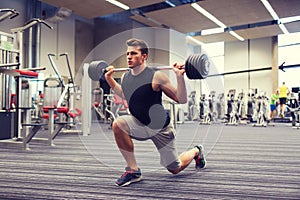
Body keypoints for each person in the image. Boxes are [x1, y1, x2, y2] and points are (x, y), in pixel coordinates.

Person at [105, 38, 206, 187]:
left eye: (133, 53)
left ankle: (197, 151)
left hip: (160, 128)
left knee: (174, 168)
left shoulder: (156, 76)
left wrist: (179, 77)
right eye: (127, 54)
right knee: (118, 124)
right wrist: (109, 79)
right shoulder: (126, 76)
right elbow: (126, 95)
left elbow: (181, 99)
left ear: (144, 56)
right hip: (139, 122)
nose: (129, 57)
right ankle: (133, 171)